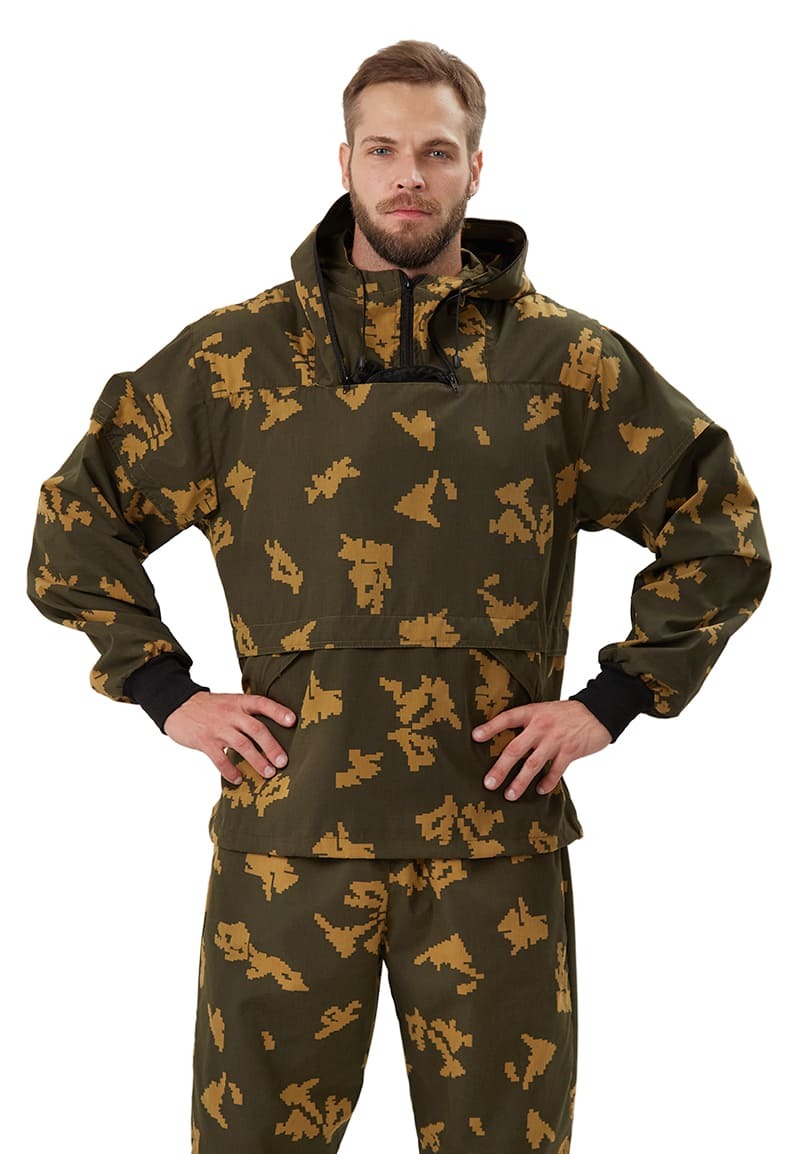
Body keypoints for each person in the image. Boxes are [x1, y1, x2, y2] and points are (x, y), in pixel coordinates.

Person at [27, 38, 770, 1154]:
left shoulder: (562, 362)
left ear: (476, 167)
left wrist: (610, 702)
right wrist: (166, 690)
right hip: (288, 836)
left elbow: (717, 524)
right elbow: (77, 517)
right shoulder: (236, 360)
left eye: (435, 151)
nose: (407, 176)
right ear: (344, 162)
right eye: (382, 150)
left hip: (494, 847)